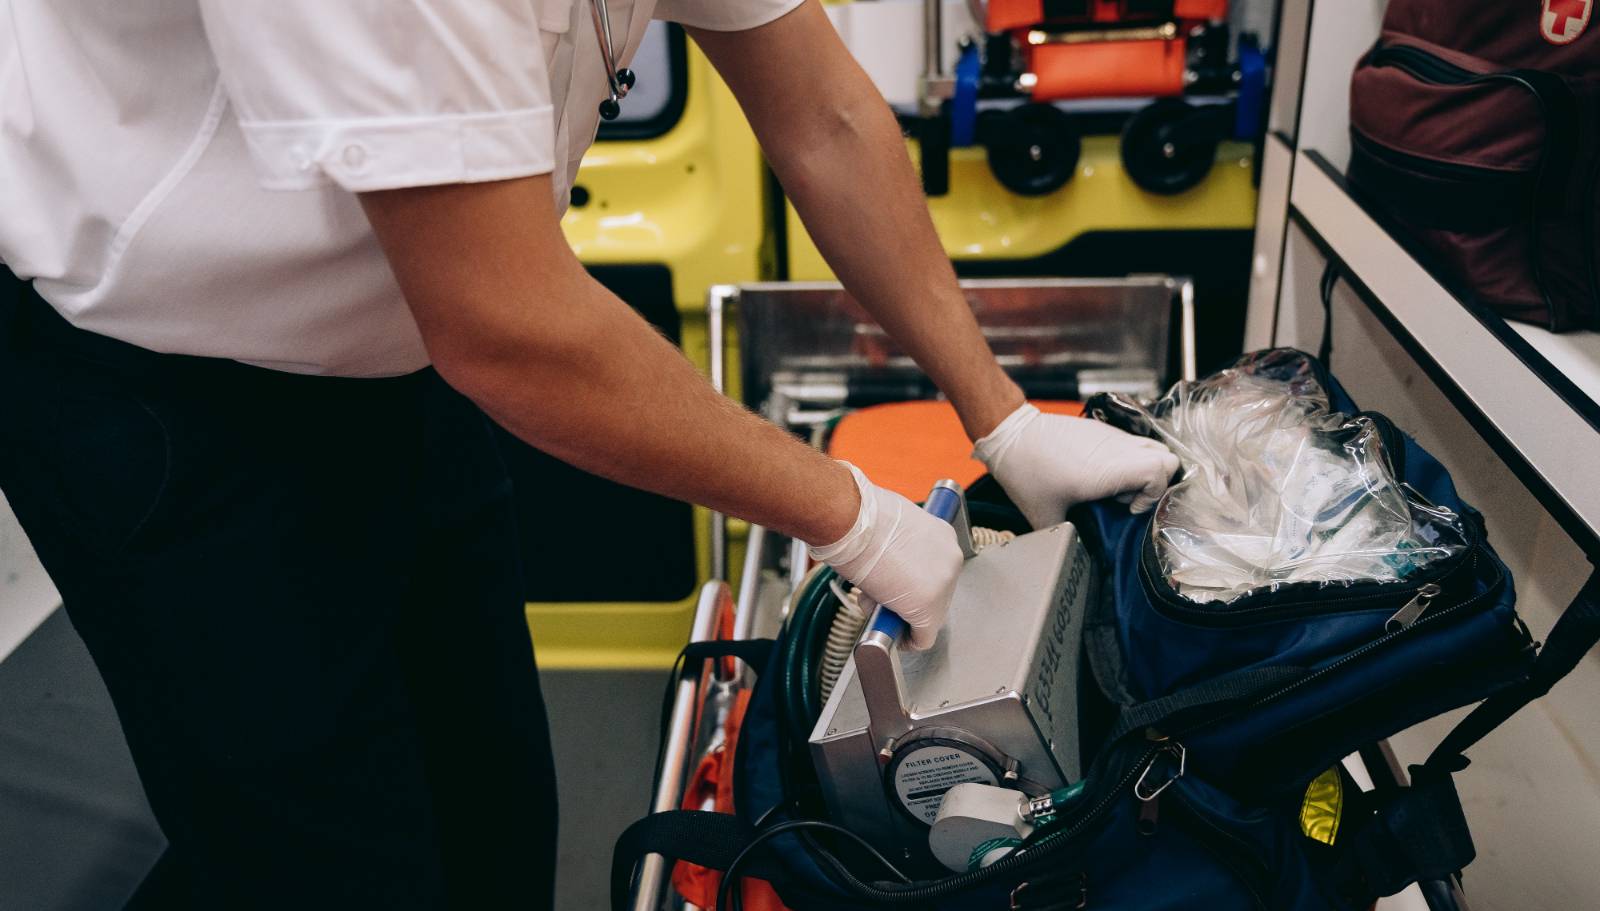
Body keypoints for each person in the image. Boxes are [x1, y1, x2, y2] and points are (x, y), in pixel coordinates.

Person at [0, 0, 1179, 906]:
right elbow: (503, 323)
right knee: (329, 862)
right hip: (158, 374)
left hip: (397, 349)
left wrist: (999, 415)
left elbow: (821, 116)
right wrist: (851, 518)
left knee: (494, 818)